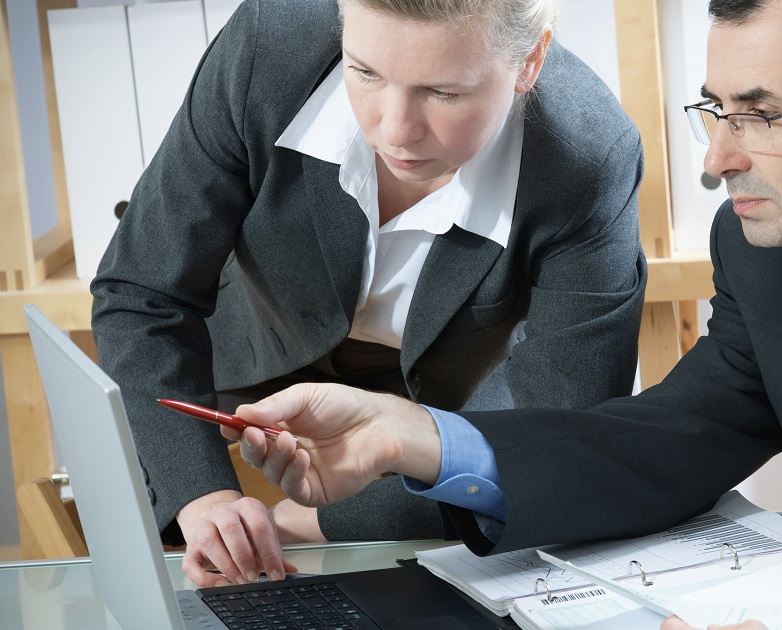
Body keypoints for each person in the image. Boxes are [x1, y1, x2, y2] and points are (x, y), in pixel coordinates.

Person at [230, 0, 782, 591]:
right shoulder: (768, 255)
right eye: (713, 111)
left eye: (759, 117)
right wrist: (412, 437)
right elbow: (665, 442)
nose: (715, 159)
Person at [90, 0, 647, 588]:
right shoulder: (266, 45)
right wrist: (204, 497)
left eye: (444, 92)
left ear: (530, 59)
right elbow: (141, 293)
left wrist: (310, 522)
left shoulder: (590, 155)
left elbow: (558, 439)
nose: (394, 129)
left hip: (454, 402)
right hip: (251, 349)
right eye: (365, 73)